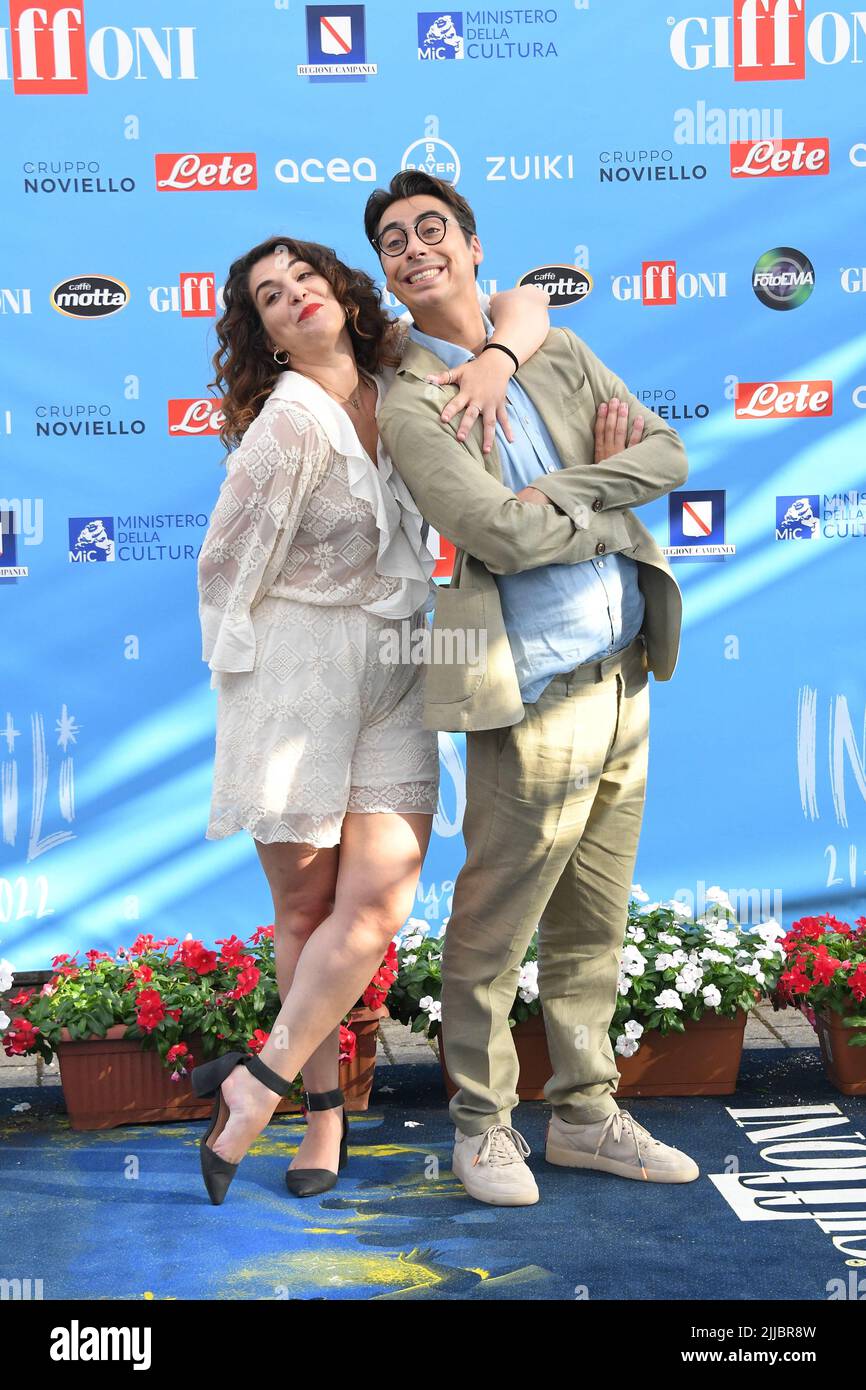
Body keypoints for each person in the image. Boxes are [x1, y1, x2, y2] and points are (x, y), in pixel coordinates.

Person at [191, 232, 552, 1203]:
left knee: (380, 902)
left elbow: (522, 304)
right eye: (270, 294)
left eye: (305, 276)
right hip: (293, 678)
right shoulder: (283, 428)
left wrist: (495, 356)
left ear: (340, 291)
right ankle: (318, 1111)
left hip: (397, 660)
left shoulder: (400, 366)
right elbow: (223, 569)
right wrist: (250, 696)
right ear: (264, 333)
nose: (294, 294)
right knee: (306, 912)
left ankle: (250, 1085)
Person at [365, 171, 699, 1207]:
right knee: (493, 927)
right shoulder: (408, 399)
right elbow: (497, 537)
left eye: (431, 229)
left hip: (625, 672)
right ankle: (480, 1124)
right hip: (525, 690)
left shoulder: (545, 344)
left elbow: (666, 452)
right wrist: (593, 500)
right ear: (388, 274)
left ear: (471, 246)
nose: (413, 247)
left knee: (592, 923)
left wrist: (557, 490)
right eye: (392, 241)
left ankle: (586, 1116)